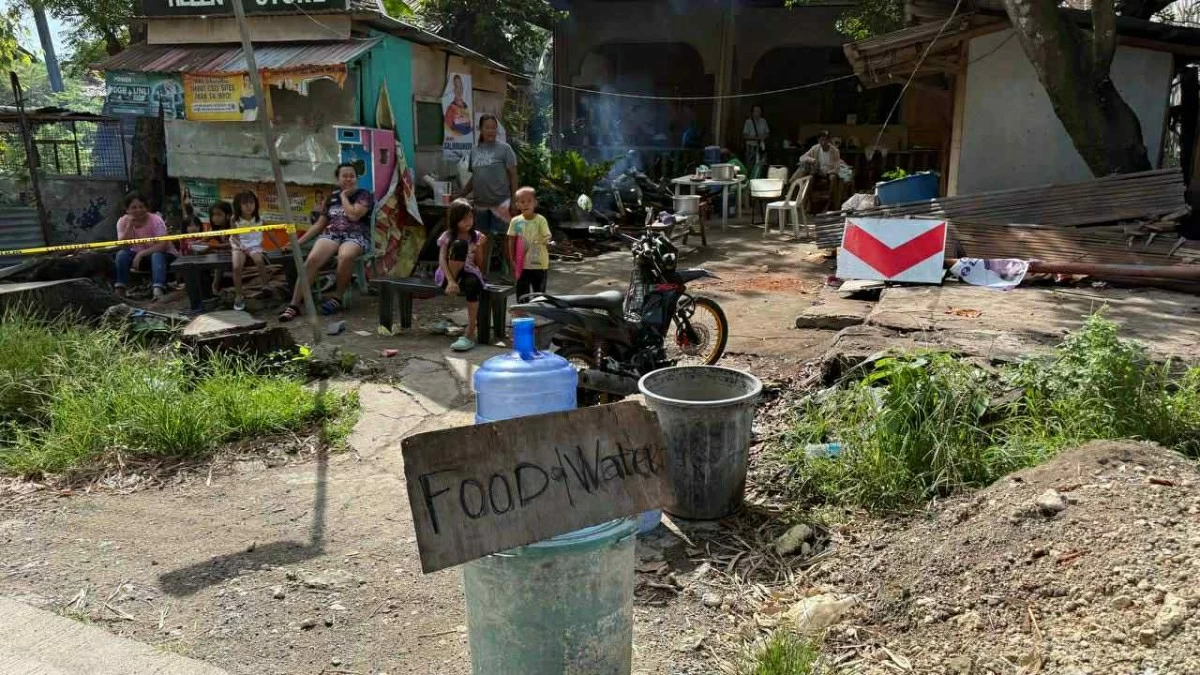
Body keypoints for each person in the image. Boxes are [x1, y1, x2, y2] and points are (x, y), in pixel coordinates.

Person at [278, 163, 374, 322]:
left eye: (352, 176)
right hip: (332, 233)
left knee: (346, 256)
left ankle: (337, 297)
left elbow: (354, 216)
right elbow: (319, 224)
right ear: (338, 179)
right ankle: (294, 304)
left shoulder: (364, 195)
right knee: (312, 259)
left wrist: (343, 197)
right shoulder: (331, 198)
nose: (349, 179)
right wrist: (298, 242)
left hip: (356, 235)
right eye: (345, 176)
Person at [457, 114, 517, 276]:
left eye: (493, 127)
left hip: (502, 204)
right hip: (480, 205)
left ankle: (514, 277)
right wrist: (461, 195)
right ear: (480, 129)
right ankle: (482, 276)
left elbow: (513, 175)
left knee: (507, 241)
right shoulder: (474, 151)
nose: (491, 131)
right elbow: (474, 178)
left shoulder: (505, 149)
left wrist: (514, 200)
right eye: (487, 127)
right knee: (482, 241)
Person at [436, 198, 487, 352]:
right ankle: (453, 284)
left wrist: (478, 246)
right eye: (464, 219)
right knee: (460, 245)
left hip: (468, 272)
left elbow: (479, 263)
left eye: (470, 217)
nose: (468, 222)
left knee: (474, 284)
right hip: (449, 274)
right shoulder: (447, 236)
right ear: (455, 219)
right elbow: (442, 260)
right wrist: (451, 281)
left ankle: (470, 332)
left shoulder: (476, 236)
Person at [114, 191, 178, 301]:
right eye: (134, 207)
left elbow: (163, 245)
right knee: (121, 255)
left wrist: (141, 254)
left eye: (141, 207)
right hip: (139, 259)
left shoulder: (156, 220)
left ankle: (158, 289)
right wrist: (130, 225)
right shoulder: (122, 222)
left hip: (163, 257)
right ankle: (120, 288)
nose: (138, 210)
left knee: (156, 255)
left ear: (146, 207)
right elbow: (123, 245)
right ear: (127, 210)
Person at [507, 186, 552, 299]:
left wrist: (547, 241)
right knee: (522, 296)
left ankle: (539, 315)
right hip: (521, 265)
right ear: (517, 204)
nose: (526, 204)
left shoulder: (540, 220)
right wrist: (512, 260)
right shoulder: (515, 221)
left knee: (539, 296)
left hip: (539, 264)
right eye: (522, 201)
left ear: (535, 203)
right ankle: (522, 315)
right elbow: (511, 240)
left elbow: (547, 236)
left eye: (529, 201)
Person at [228, 191, 271, 312]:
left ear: (255, 204)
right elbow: (234, 237)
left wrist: (282, 246)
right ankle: (239, 295)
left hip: (254, 246)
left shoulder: (260, 219)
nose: (248, 206)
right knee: (236, 267)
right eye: (245, 203)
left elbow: (270, 233)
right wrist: (241, 246)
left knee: (259, 260)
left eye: (251, 203)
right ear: (239, 205)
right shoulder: (234, 219)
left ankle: (266, 286)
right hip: (239, 246)